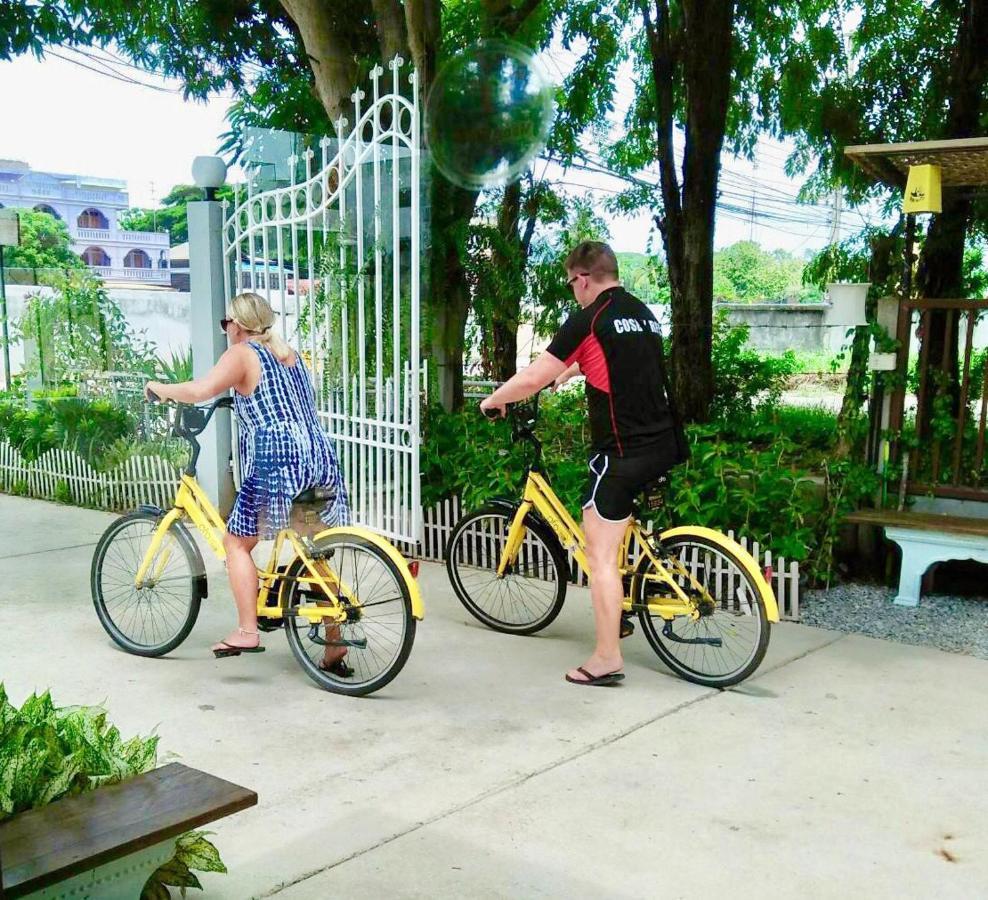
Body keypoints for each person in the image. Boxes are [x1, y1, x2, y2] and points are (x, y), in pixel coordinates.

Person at [480, 241, 685, 687]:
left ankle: (607, 657)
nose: (573, 291)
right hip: (665, 443)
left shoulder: (589, 318)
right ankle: (619, 615)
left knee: (600, 556)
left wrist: (494, 400)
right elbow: (622, 364)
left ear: (584, 277)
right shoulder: (643, 314)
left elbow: (532, 377)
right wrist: (573, 371)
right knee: (617, 535)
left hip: (622, 452)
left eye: (572, 283)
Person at [145, 291, 351, 667]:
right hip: (317, 456)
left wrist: (160, 389)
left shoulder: (241, 354)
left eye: (226, 324)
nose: (226, 330)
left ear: (237, 326)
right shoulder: (289, 354)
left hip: (278, 460)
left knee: (235, 543)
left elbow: (198, 391)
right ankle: (334, 640)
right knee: (312, 549)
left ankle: (246, 629)